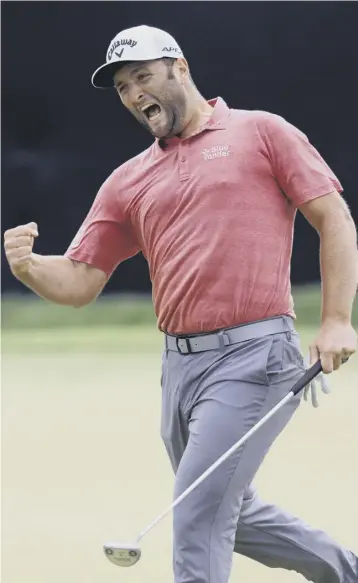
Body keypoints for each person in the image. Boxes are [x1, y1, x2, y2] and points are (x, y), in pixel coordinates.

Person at [4, 24, 358, 583]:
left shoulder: (262, 132)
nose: (134, 93)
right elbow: (78, 282)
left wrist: (338, 320)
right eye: (122, 87)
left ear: (180, 67)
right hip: (179, 370)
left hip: (257, 358)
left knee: (197, 514)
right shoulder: (129, 180)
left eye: (143, 76)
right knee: (228, 513)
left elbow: (333, 217)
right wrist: (28, 267)